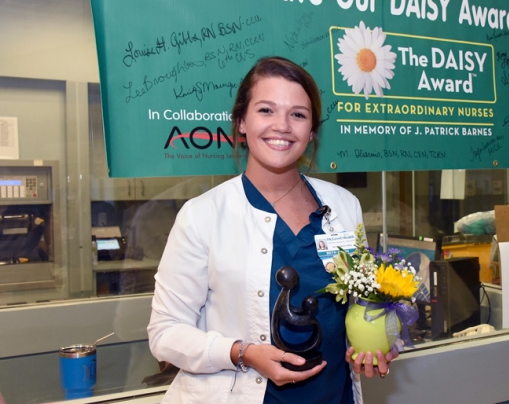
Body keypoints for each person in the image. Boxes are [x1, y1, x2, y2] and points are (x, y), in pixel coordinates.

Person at [148, 56, 396, 404]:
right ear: (241, 122)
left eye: (298, 114)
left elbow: (359, 305)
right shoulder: (202, 216)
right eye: (266, 110)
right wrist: (243, 353)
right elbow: (165, 333)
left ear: (311, 132)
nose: (282, 125)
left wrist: (373, 342)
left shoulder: (343, 207)